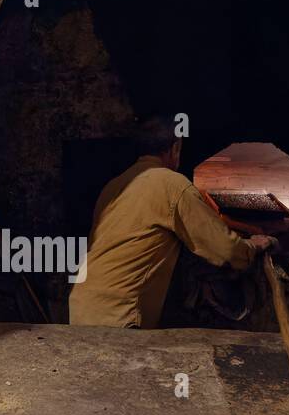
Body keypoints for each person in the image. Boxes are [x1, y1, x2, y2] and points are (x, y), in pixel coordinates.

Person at [69, 119, 276, 329]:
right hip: (119, 317)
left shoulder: (114, 186)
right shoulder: (173, 185)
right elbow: (226, 250)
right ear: (175, 148)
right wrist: (254, 247)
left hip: (81, 308)